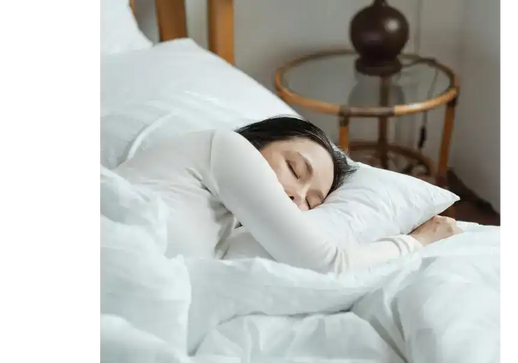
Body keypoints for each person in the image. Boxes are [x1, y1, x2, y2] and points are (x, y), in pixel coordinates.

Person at [114, 116, 461, 273]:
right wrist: (416, 241)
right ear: (257, 141)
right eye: (295, 169)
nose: (296, 197)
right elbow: (329, 263)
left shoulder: (227, 224)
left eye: (311, 202)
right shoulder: (223, 147)